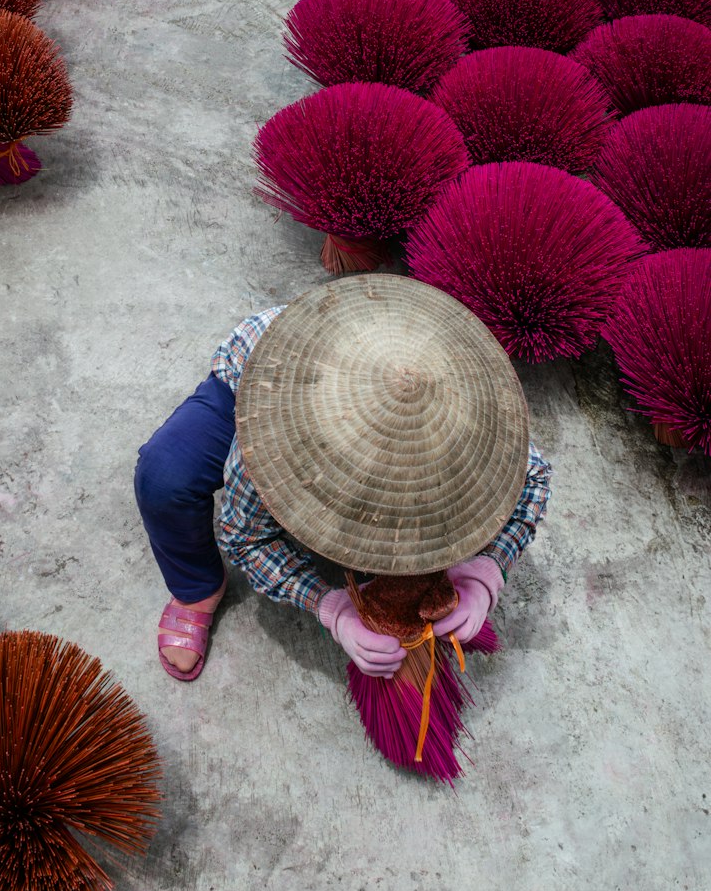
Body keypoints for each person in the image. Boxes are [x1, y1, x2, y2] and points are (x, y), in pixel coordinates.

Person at [135, 275, 551, 681]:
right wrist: (330, 607)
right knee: (164, 478)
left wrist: (484, 574)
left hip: (394, 351)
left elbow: (532, 478)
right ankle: (197, 587)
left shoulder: (473, 418)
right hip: (261, 372)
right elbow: (244, 535)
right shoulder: (280, 432)